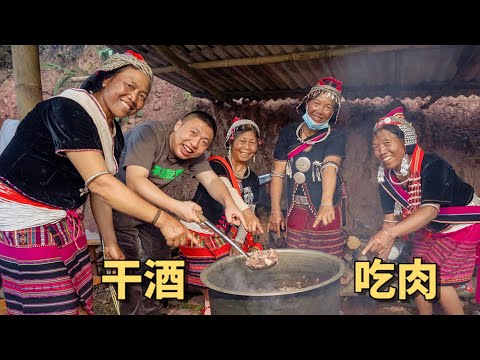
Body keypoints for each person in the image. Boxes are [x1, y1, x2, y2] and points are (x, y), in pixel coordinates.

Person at [0, 50, 197, 315]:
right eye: (130, 85)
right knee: (50, 305)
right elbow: (102, 184)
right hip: (26, 224)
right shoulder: (68, 110)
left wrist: (109, 241)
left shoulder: (113, 136)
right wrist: (164, 219)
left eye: (143, 96)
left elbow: (99, 192)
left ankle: (154, 307)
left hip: (64, 221)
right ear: (105, 79)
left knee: (76, 300)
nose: (135, 98)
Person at [112, 111, 248, 315]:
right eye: (192, 133)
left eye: (204, 142)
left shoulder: (195, 155)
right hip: (120, 206)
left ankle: (154, 310)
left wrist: (229, 203)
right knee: (126, 266)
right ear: (177, 125)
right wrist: (177, 207)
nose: (194, 144)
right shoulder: (149, 134)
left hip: (153, 208)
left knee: (161, 260)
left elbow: (211, 180)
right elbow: (135, 180)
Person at [362, 106, 480, 315]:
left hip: (463, 225)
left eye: (387, 143)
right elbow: (390, 222)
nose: (381, 151)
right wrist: (382, 255)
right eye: (376, 147)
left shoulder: (432, 165)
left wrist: (388, 234)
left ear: (405, 142)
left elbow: (429, 211)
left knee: (439, 282)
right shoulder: (385, 178)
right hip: (430, 229)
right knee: (416, 272)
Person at [179, 117, 264, 315]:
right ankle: (210, 306)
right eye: (242, 141)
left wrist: (240, 240)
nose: (247, 147)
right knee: (210, 277)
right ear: (230, 142)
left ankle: (229, 305)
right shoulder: (216, 165)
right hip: (202, 229)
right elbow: (227, 190)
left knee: (238, 267)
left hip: (229, 232)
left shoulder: (253, 178)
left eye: (252, 142)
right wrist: (246, 213)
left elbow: (249, 209)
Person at [268, 77, 348, 258]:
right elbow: (278, 173)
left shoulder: (335, 136)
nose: (320, 110)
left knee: (328, 260)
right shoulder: (288, 132)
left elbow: (329, 167)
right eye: (316, 103)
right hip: (296, 207)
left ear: (333, 112)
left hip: (326, 207)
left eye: (328, 107)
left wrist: (326, 203)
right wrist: (275, 211)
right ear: (307, 103)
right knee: (297, 258)